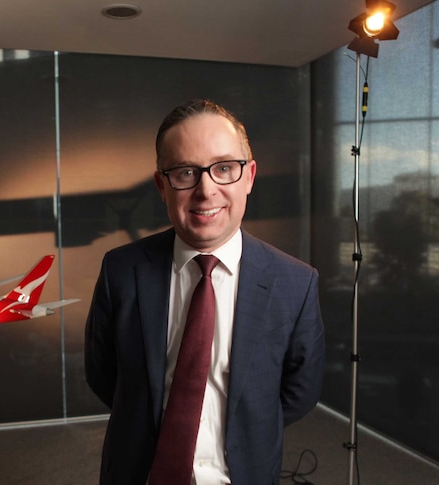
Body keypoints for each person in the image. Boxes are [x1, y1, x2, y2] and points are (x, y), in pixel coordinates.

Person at [84, 99, 325, 484]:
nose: (206, 190)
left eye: (224, 168)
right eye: (185, 172)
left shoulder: (296, 282)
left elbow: (300, 391)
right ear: (162, 185)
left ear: (249, 176)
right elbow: (103, 375)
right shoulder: (121, 270)